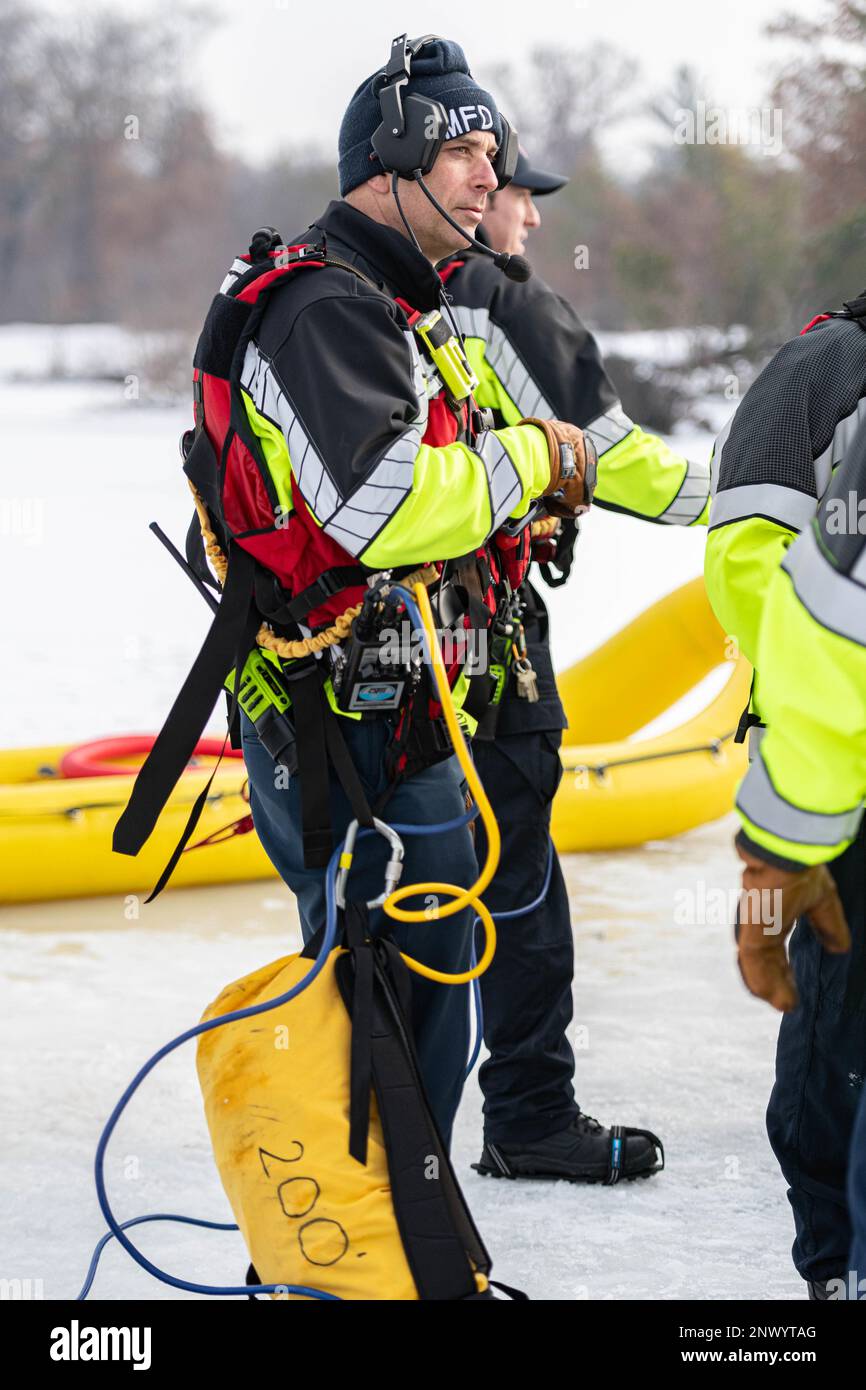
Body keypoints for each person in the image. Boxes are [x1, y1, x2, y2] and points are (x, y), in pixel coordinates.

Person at [222, 37, 593, 1151]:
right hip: (340, 723)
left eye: (493, 151)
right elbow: (381, 505)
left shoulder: (400, 308)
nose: (493, 175)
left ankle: (398, 1239)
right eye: (468, 150)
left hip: (400, 712)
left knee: (423, 994)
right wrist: (529, 459)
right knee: (377, 1000)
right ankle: (350, 1255)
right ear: (387, 163)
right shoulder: (324, 308)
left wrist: (512, 501)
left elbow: (434, 482)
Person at [440, 147, 710, 1182]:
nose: (530, 221)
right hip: (474, 648)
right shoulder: (492, 293)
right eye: (519, 196)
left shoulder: (354, 292)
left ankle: (367, 1144)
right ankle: (529, 1113)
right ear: (459, 187)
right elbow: (620, 461)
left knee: (392, 887)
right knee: (517, 882)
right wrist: (766, 480)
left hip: (349, 657)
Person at [705, 290, 866, 1294]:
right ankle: (831, 1258)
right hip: (835, 753)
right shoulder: (821, 370)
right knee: (839, 1011)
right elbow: (744, 566)